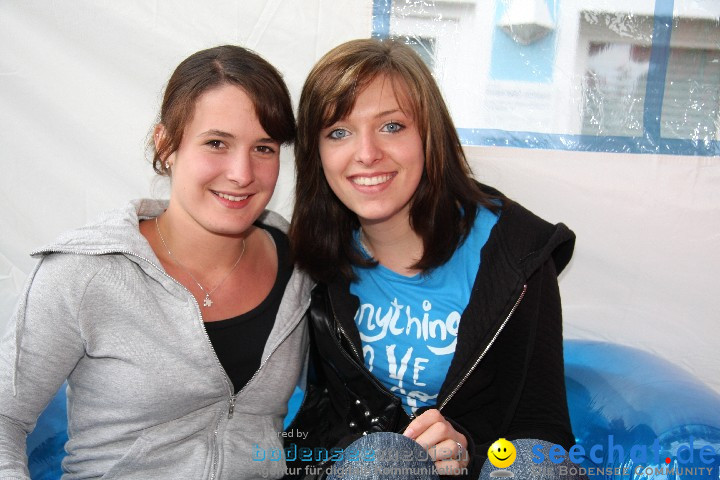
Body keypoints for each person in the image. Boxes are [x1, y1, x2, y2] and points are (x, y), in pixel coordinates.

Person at [0, 45, 313, 479]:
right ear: (166, 144)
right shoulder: (85, 271)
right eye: (217, 143)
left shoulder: (301, 264)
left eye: (263, 148)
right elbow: (4, 419)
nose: (242, 173)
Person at [286, 38, 578, 479]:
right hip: (369, 470)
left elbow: (543, 432)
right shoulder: (312, 256)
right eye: (339, 132)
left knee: (538, 466)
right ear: (317, 153)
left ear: (429, 136)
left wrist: (469, 452)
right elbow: (317, 422)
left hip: (479, 467)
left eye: (391, 127)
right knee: (386, 460)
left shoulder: (517, 252)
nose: (366, 154)